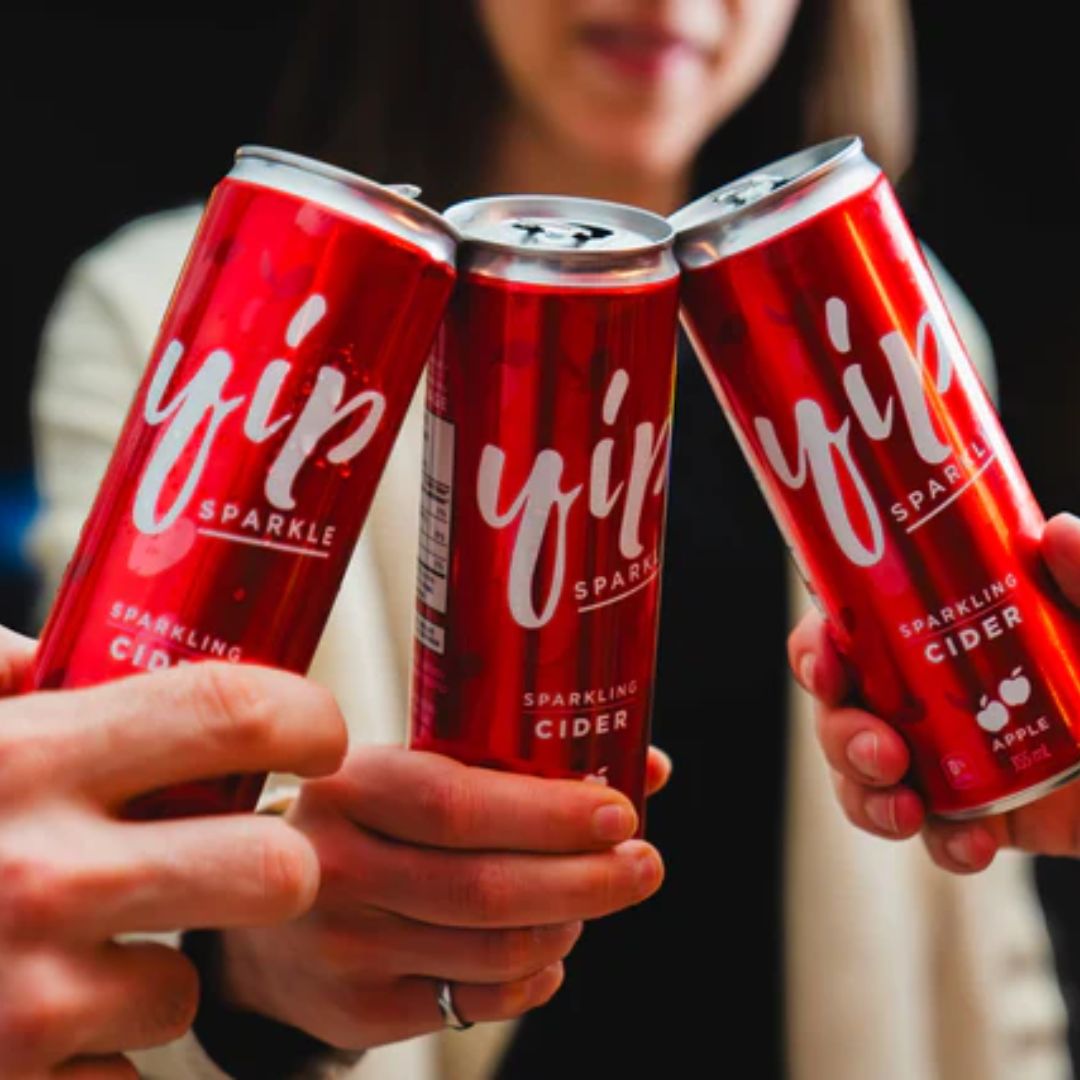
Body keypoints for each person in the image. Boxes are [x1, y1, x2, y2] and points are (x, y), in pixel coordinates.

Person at [25, 1, 1072, 1077]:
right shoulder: (171, 303)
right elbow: (89, 858)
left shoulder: (908, 312)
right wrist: (252, 970)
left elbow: (983, 957)